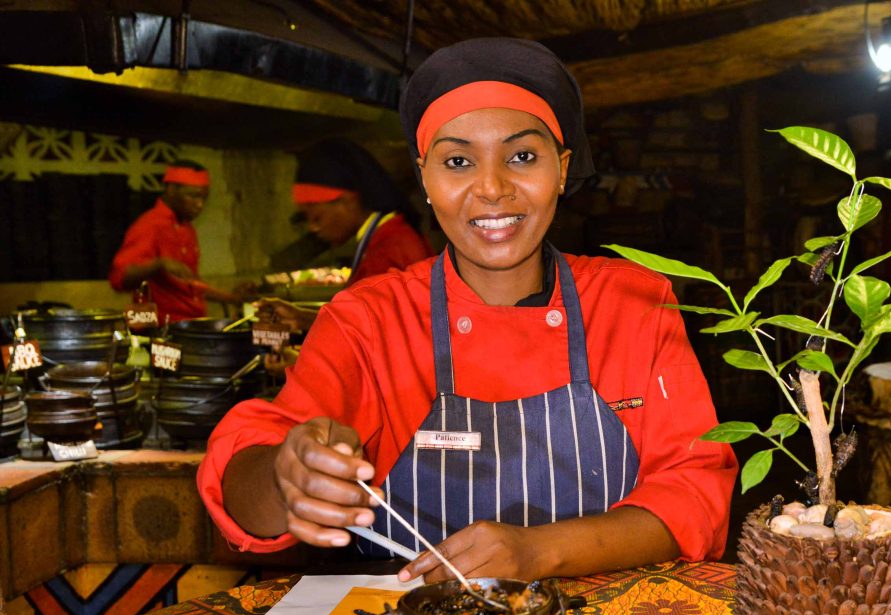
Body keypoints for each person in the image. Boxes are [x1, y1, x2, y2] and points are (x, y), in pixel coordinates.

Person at [196, 37, 737, 584]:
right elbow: (249, 480)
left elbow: (697, 491)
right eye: (457, 161)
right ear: (425, 179)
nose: (493, 189)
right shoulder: (369, 319)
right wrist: (286, 477)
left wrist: (539, 551)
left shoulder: (633, 302)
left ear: (562, 168)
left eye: (522, 156)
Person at [260, 138, 435, 334]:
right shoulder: (387, 237)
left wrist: (304, 320)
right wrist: (300, 316)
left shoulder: (391, 249)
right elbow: (364, 316)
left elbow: (376, 331)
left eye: (317, 217)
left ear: (349, 202)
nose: (313, 228)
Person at [109, 160, 242, 324]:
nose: (200, 205)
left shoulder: (186, 227)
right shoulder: (151, 225)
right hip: (164, 330)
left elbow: (191, 285)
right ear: (171, 190)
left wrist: (233, 299)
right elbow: (119, 278)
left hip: (193, 323)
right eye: (193, 196)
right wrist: (159, 264)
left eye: (203, 198)